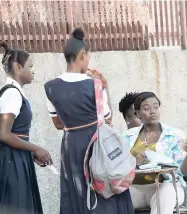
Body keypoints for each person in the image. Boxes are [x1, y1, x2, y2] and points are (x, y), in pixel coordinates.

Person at [44, 27, 134, 214]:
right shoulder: (94, 85)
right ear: (83, 55)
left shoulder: (50, 87)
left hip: (70, 146)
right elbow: (107, 119)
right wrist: (105, 86)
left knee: (76, 194)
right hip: (97, 143)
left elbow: (58, 124)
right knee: (104, 189)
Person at [120, 92, 187, 214]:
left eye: (156, 107)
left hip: (165, 186)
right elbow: (117, 167)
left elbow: (183, 172)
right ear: (137, 114)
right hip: (136, 187)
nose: (152, 111)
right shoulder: (127, 137)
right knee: (114, 196)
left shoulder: (174, 135)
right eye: (146, 109)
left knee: (167, 193)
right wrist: (133, 162)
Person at [0, 42, 52, 214]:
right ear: (18, 67)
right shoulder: (12, 94)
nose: (33, 71)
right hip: (9, 163)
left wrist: (29, 153)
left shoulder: (15, 93)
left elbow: (13, 134)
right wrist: (37, 148)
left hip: (15, 158)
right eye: (30, 66)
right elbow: (3, 134)